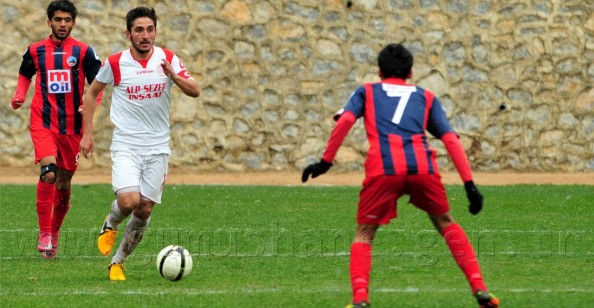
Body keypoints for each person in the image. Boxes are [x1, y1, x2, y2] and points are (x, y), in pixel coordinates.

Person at [302, 43, 499, 308]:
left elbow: (346, 121)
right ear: (411, 72)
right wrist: (470, 185)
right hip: (423, 169)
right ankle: (480, 288)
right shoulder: (426, 97)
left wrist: (325, 162)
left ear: (379, 71)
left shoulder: (367, 91)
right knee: (445, 222)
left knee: (364, 233)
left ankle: (360, 299)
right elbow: (450, 139)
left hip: (384, 170)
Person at [79, 6, 200, 281]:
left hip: (158, 147)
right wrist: (87, 134)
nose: (145, 35)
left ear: (155, 31)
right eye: (139, 30)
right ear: (128, 33)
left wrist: (174, 76)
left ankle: (117, 262)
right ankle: (110, 223)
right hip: (127, 145)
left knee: (144, 208)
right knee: (130, 200)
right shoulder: (115, 63)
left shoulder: (167, 58)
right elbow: (91, 93)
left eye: (150, 29)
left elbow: (195, 90)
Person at [10, 0, 102, 259]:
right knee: (49, 173)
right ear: (49, 21)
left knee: (64, 181)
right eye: (58, 20)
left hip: (72, 127)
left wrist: (91, 106)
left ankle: (55, 233)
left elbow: (99, 84)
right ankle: (44, 233)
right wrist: (19, 95)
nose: (63, 24)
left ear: (73, 22)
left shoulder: (84, 52)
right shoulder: (36, 50)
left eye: (67, 20)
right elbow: (24, 74)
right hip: (43, 122)